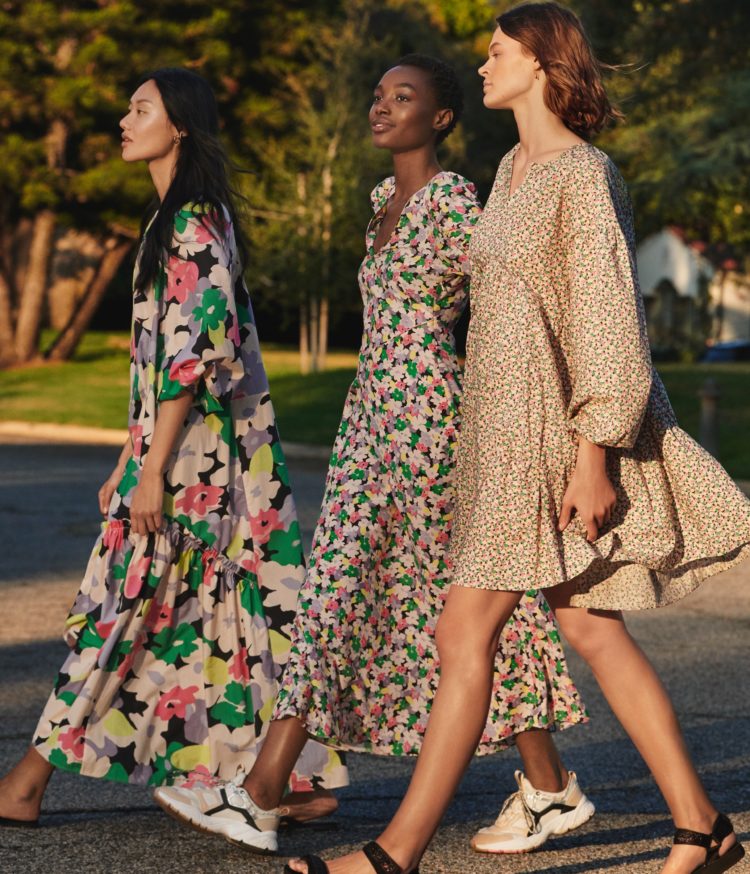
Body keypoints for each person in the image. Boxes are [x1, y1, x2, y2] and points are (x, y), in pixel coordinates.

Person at [282, 5, 750, 874]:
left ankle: (396, 854)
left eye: (496, 53)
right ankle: (704, 827)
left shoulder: (583, 172)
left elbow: (609, 316)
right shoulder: (508, 167)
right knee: (592, 631)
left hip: (552, 438)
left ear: (540, 63)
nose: (484, 64)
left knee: (466, 637)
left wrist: (596, 451)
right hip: (497, 436)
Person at [153, 54, 595, 860]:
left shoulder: (457, 199)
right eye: (378, 94)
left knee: (398, 596)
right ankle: (549, 783)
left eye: (405, 97)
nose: (381, 106)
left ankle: (262, 790)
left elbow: (515, 292)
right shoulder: (380, 199)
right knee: (421, 602)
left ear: (442, 118)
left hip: (431, 423)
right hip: (373, 423)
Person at [0, 67, 345, 830]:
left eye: (141, 108)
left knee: (127, 608)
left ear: (178, 125)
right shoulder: (172, 222)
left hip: (196, 463)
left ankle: (25, 783)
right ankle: (279, 774)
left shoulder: (191, 223)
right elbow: (162, 361)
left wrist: (152, 470)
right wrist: (131, 457)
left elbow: (191, 360)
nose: (125, 120)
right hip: (185, 454)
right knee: (209, 614)